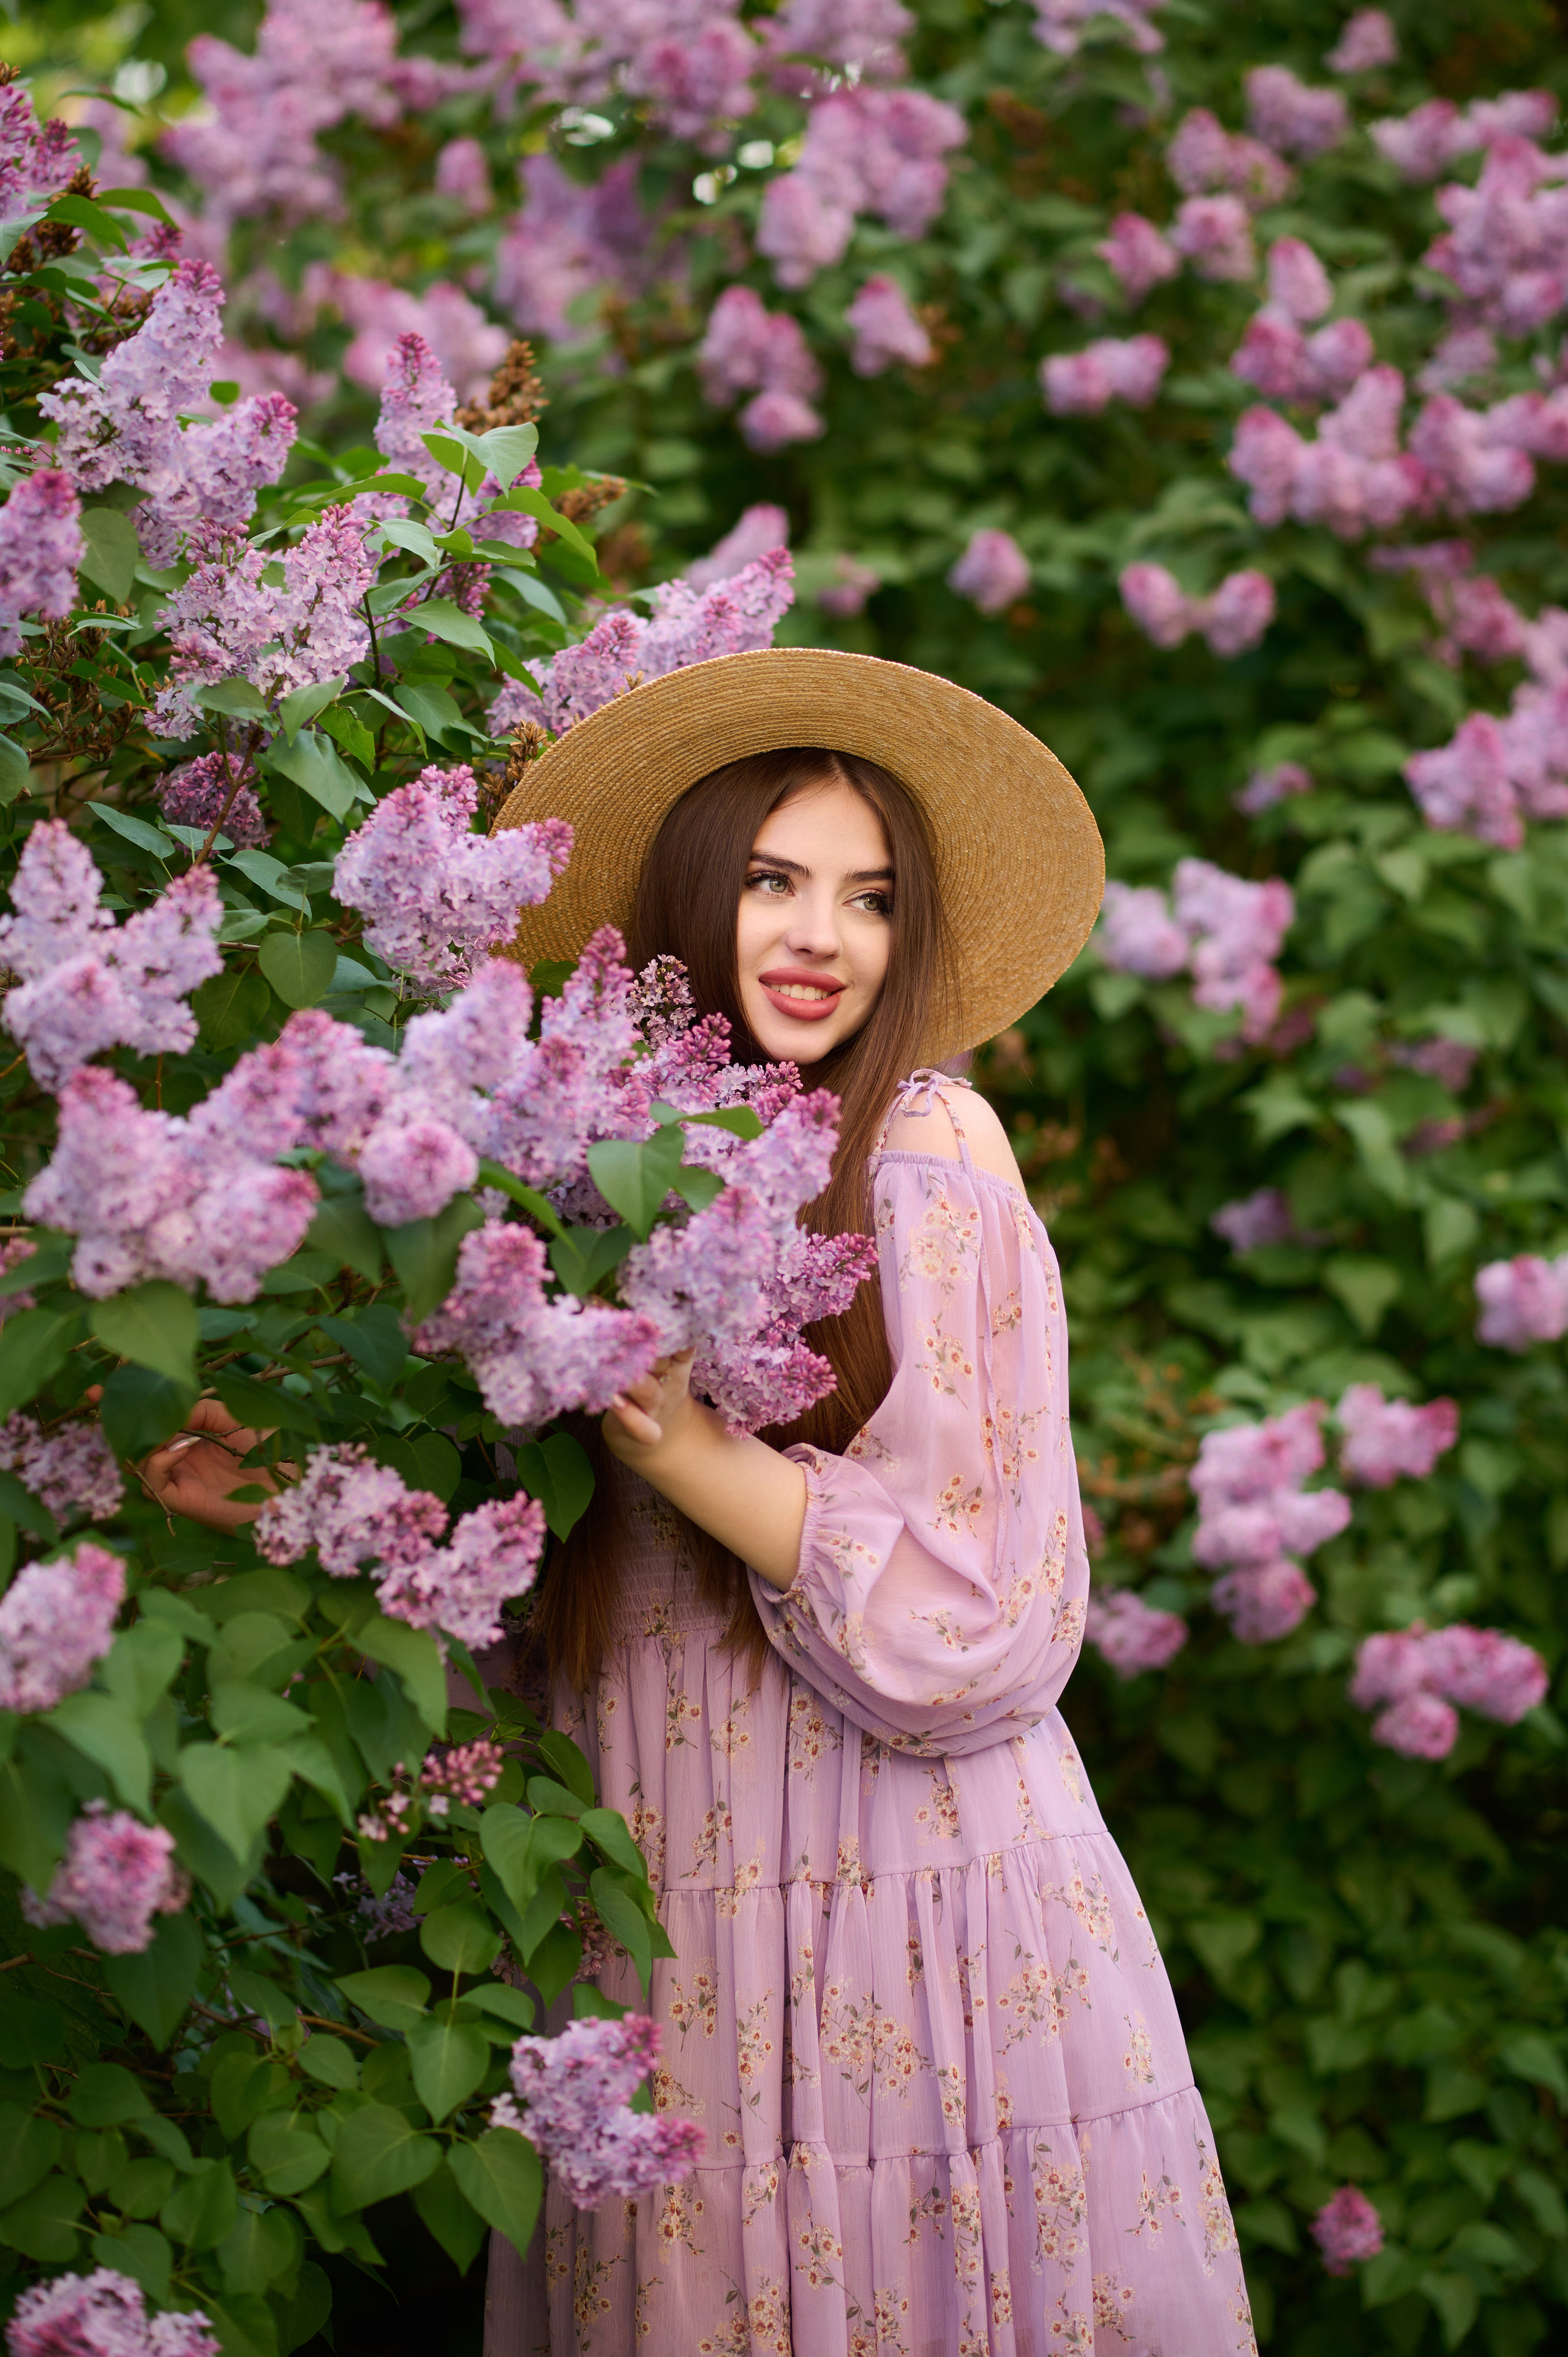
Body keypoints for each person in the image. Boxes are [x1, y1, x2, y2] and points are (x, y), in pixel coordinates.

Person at [146, 649, 1256, 2357]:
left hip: (919, 1907)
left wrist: (687, 1446)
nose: (823, 936)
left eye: (870, 899)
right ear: (687, 896)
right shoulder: (578, 1172)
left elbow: (986, 1623)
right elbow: (539, 1597)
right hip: (667, 1908)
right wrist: (295, 1497)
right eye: (772, 880)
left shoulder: (925, 1149)